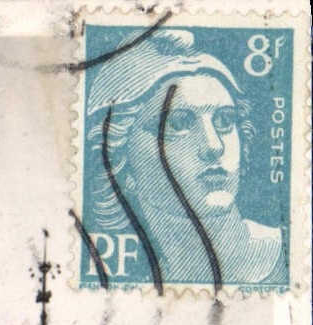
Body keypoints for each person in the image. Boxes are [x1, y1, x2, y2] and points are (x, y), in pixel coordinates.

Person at [86, 28, 286, 286]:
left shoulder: (286, 256)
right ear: (119, 165)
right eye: (179, 124)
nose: (214, 146)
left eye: (225, 121)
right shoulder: (133, 286)